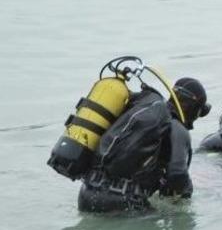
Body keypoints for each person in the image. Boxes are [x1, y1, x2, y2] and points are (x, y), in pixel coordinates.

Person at [78, 78, 210, 212]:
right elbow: (178, 174)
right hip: (123, 203)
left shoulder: (140, 107)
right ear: (192, 108)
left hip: (86, 193)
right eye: (198, 113)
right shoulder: (177, 128)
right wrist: (185, 194)